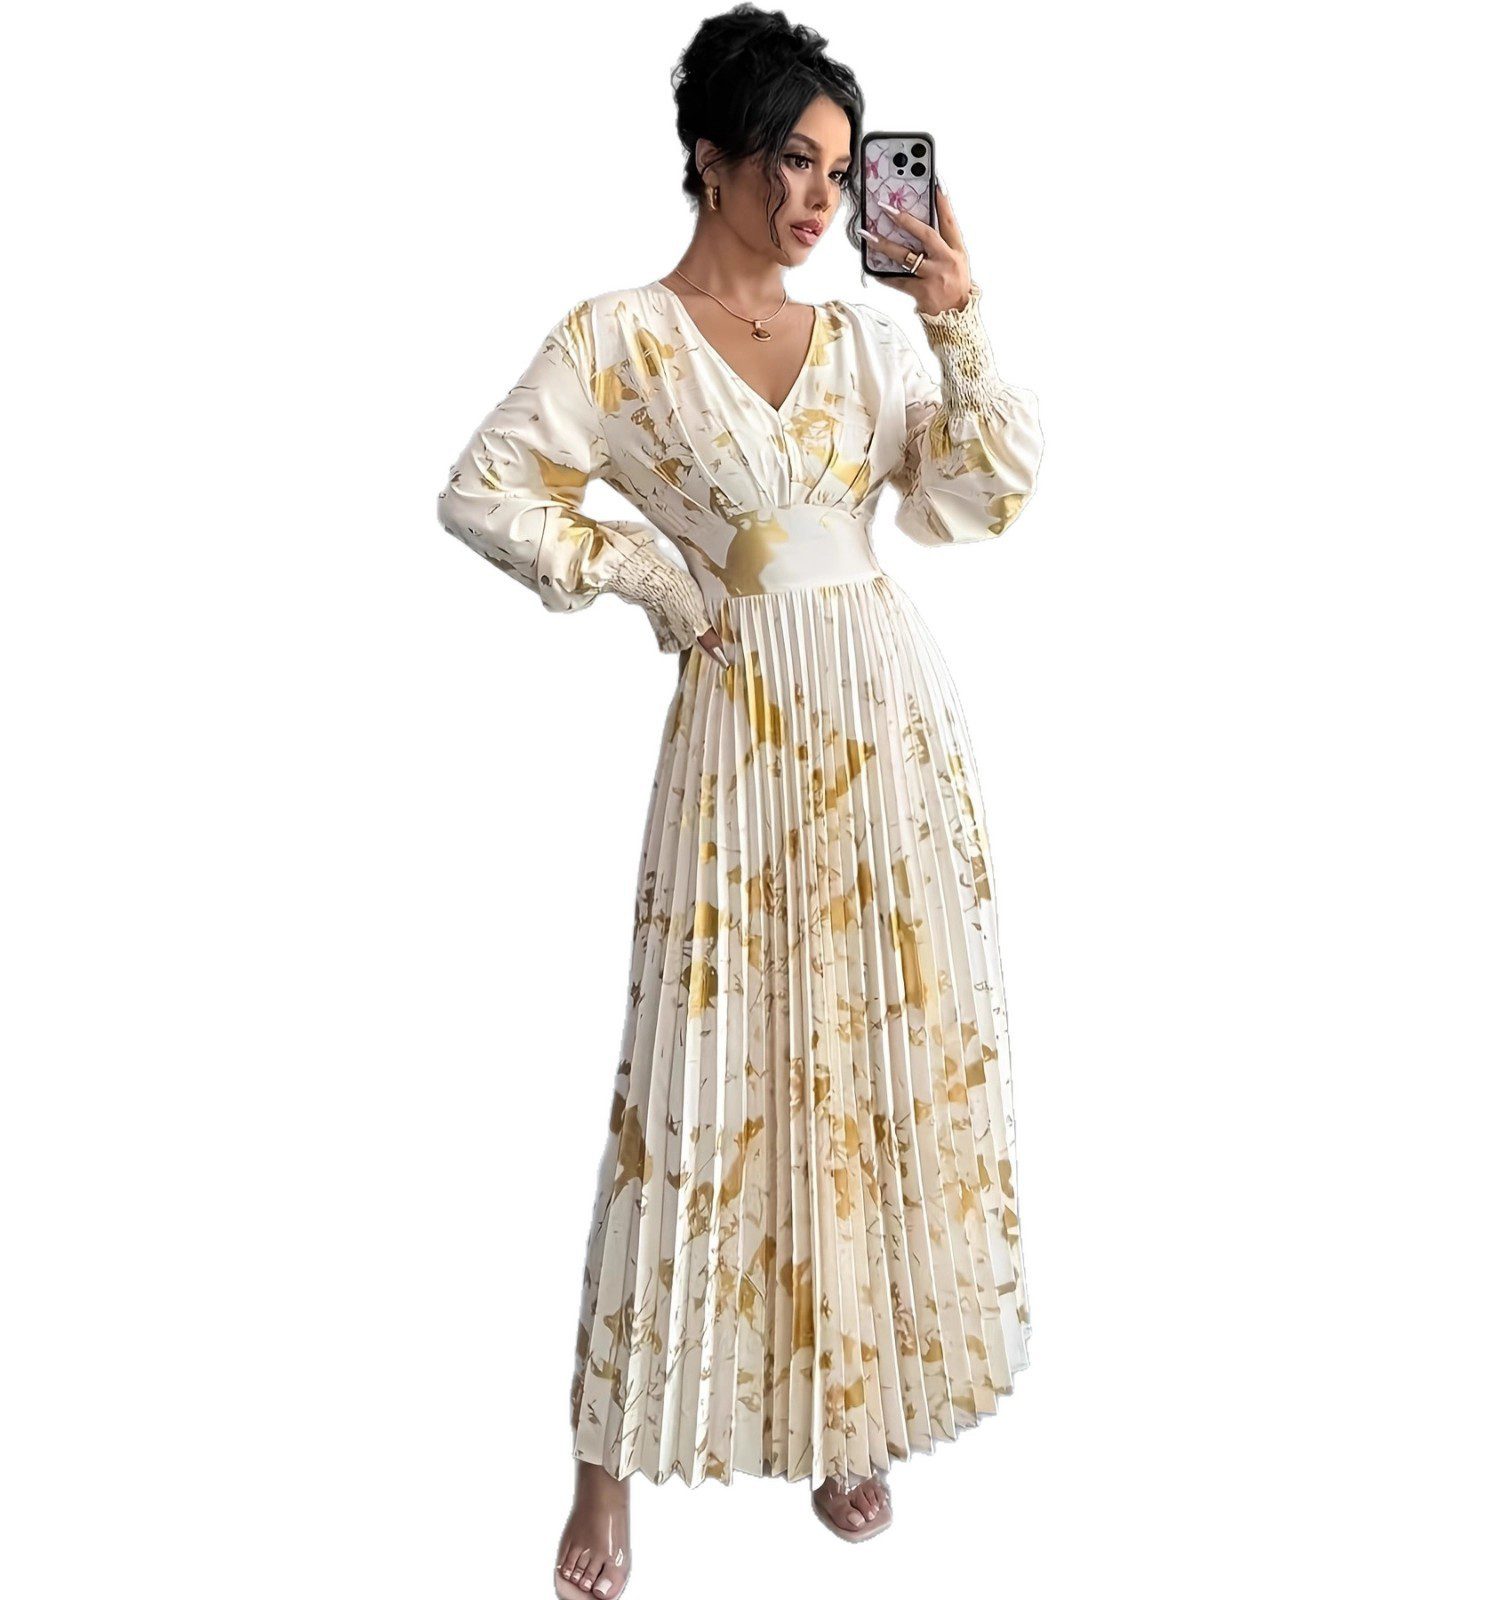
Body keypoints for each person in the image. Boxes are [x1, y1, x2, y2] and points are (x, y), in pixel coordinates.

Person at [435, 8, 1045, 1596]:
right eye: (792, 160)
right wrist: (649, 570)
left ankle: (854, 1410)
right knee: (696, 1073)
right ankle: (605, 1468)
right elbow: (483, 489)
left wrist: (959, 321)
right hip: (741, 734)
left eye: (841, 171)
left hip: (888, 724)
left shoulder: (868, 342)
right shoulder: (618, 340)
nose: (820, 200)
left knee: (867, 1058)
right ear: (711, 155)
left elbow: (981, 497)